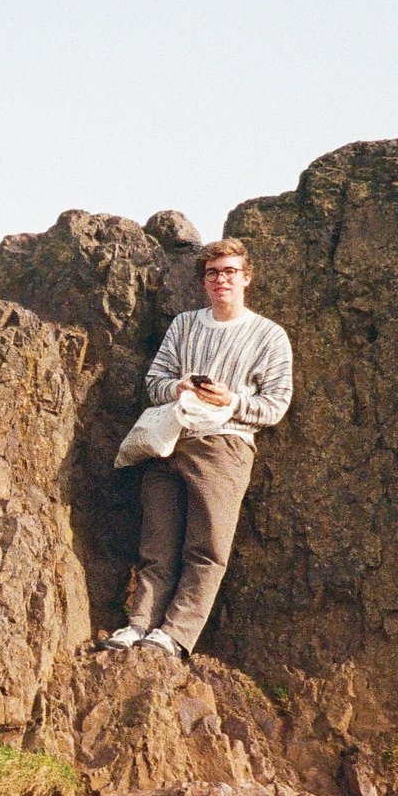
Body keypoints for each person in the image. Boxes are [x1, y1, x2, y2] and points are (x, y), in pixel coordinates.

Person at [102, 238, 293, 658]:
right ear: (203, 281)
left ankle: (175, 635)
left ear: (246, 278)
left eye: (229, 271)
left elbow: (276, 405)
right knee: (156, 546)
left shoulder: (269, 335)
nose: (221, 279)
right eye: (212, 273)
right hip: (170, 439)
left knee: (206, 548)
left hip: (226, 445)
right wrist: (180, 386)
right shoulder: (185, 324)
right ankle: (139, 625)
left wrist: (232, 401)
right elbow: (154, 384)